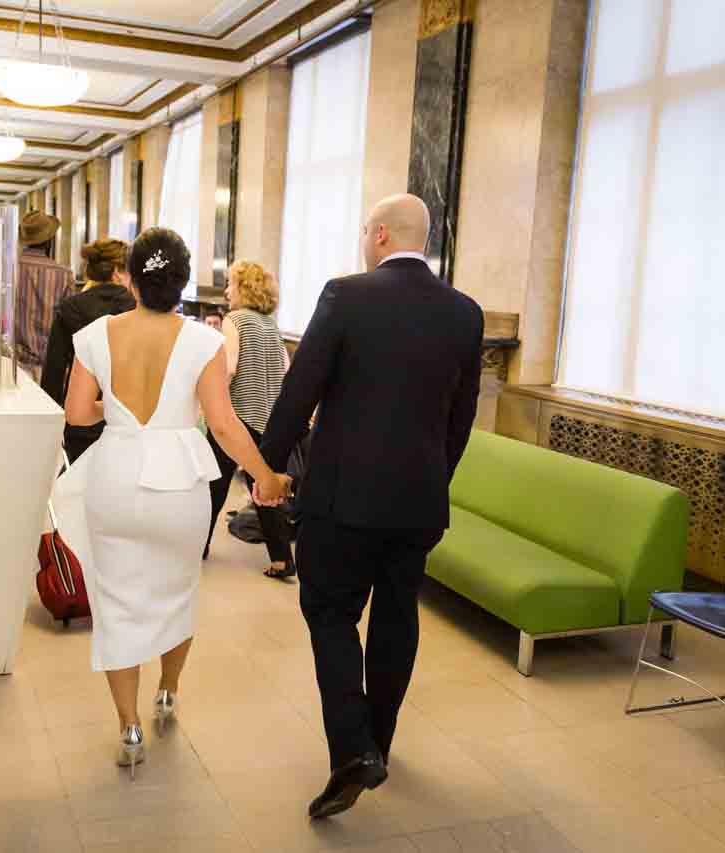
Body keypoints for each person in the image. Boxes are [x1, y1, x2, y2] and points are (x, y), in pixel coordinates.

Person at [257, 194, 483, 820]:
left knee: (329, 612)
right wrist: (435, 479)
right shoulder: (464, 313)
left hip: (342, 500)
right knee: (396, 617)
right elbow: (461, 416)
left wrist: (267, 467)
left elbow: (300, 389)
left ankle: (353, 752)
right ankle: (378, 742)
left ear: (380, 235)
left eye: (364, 230)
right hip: (419, 503)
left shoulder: (345, 295)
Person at [56, 228, 288, 776]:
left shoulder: (93, 335)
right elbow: (225, 427)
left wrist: (113, 416)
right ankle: (168, 691)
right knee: (176, 594)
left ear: (130, 279)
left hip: (114, 480)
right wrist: (267, 478)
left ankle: (128, 726)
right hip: (180, 486)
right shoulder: (203, 342)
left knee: (116, 604)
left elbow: (75, 413)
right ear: (182, 283)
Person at [202, 260, 295, 580]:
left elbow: (228, 368)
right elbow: (285, 370)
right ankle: (283, 558)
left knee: (212, 484)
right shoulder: (272, 325)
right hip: (268, 420)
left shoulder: (235, 320)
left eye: (230, 284)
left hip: (239, 417)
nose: (227, 291)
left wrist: (212, 402)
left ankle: (198, 545)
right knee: (264, 488)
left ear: (244, 288)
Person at [41, 238, 138, 462]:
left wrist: (53, 426)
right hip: (127, 420)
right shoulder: (137, 310)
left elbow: (54, 372)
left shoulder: (70, 308)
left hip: (80, 420)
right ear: (117, 272)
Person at [16, 211, 75, 379]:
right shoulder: (64, 274)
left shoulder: (8, 269)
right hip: (49, 367)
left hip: (11, 365)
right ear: (50, 241)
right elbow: (68, 323)